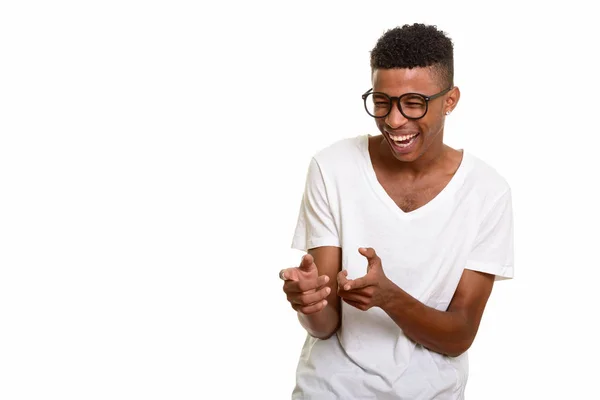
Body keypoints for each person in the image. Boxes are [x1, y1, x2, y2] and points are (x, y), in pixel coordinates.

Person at [279, 23, 514, 399]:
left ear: (450, 100)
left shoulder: (487, 192)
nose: (393, 120)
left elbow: (460, 335)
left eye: (414, 103)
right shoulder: (332, 167)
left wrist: (389, 297)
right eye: (382, 100)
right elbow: (324, 327)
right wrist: (309, 302)